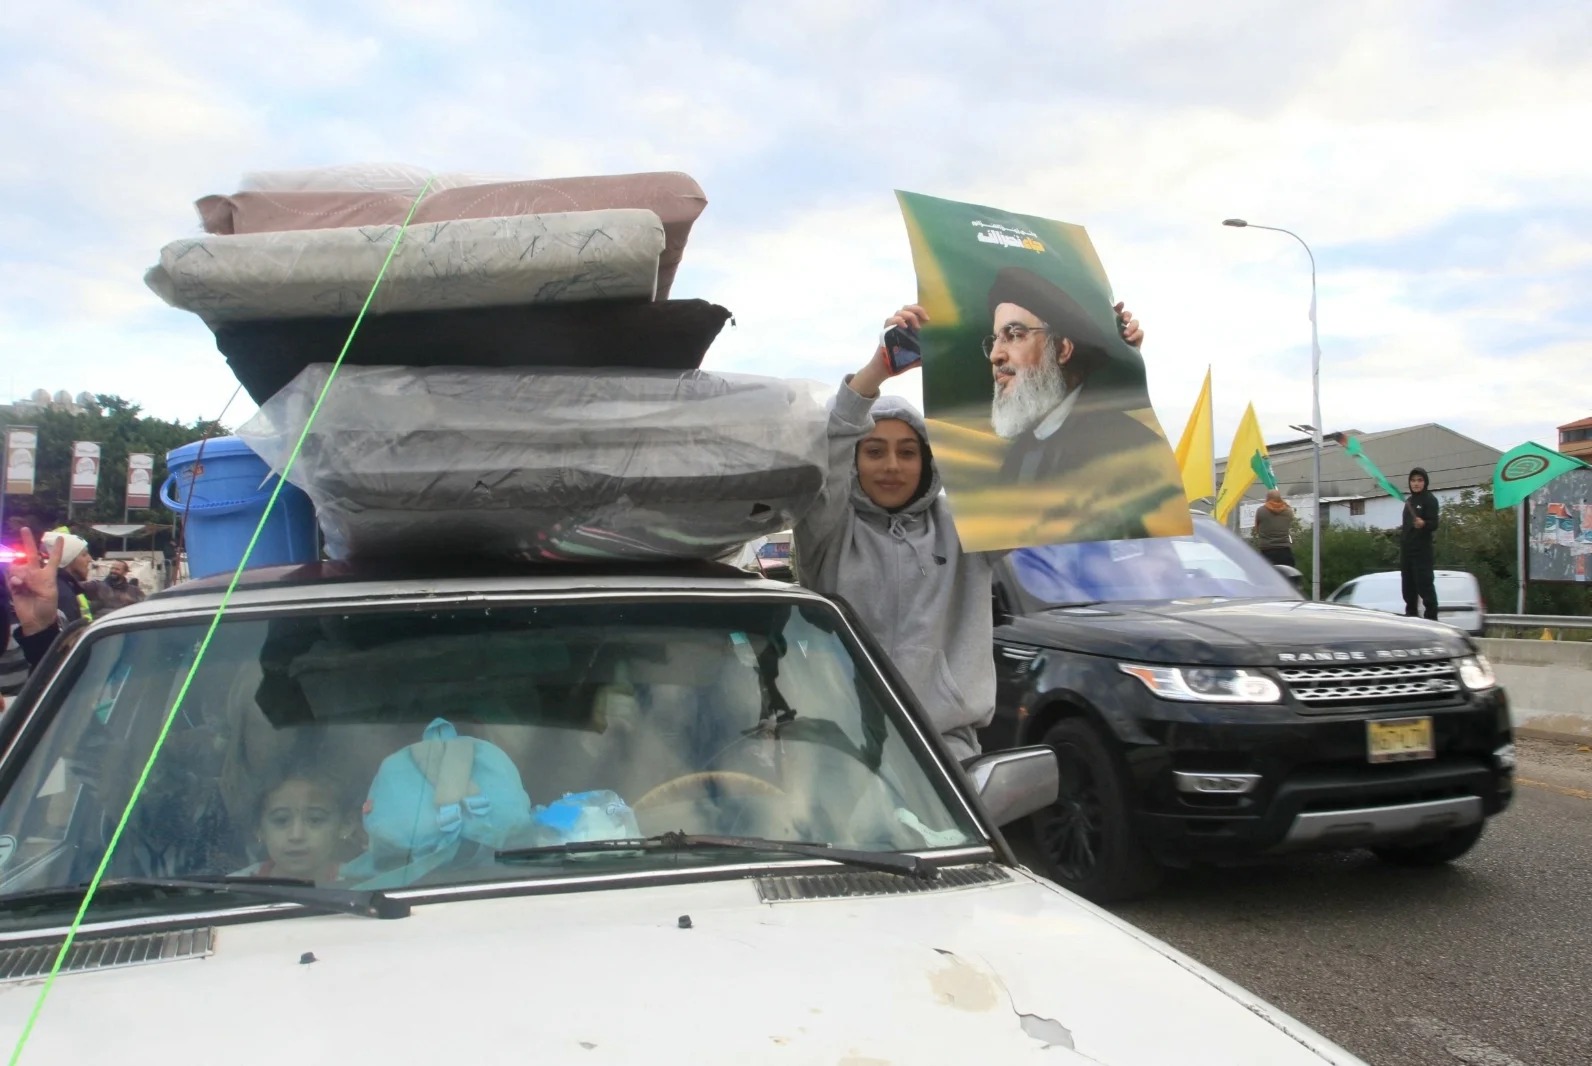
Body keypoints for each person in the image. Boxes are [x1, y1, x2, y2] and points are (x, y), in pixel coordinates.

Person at [794, 305, 997, 763]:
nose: (891, 466)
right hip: (835, 750)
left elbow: (1034, 461)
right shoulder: (827, 528)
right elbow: (826, 446)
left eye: (908, 452)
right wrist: (878, 370)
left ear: (927, 462)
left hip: (944, 755)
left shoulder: (969, 527)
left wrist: (1109, 366)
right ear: (854, 459)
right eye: (874, 451)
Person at [984, 266, 1159, 486]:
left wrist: (1119, 340)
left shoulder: (1129, 446)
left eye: (1015, 335)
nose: (994, 355)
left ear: (1062, 349)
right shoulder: (1016, 457)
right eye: (995, 340)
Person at [234, 765, 358, 882]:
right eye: (281, 820)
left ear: (345, 825)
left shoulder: (363, 887)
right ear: (259, 828)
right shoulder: (233, 890)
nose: (296, 836)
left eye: (315, 819)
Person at [1401, 467, 1441, 620]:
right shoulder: (1409, 502)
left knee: (1425, 588)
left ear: (1425, 482)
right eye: (1413, 480)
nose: (1416, 483)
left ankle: (1432, 620)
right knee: (1408, 590)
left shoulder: (1429, 499)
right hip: (1407, 552)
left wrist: (1423, 523)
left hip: (1422, 553)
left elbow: (1434, 524)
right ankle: (1411, 618)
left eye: (1419, 480)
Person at [40, 528, 94, 624]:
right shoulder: (62, 592)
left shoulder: (69, 587)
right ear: (69, 559)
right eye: (84, 555)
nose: (90, 559)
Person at [1253, 490, 1296, 566]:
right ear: (1280, 498)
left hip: (1266, 551)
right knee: (1286, 576)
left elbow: (1257, 529)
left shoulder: (1261, 511)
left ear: (1267, 498)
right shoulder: (1288, 511)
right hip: (1284, 551)